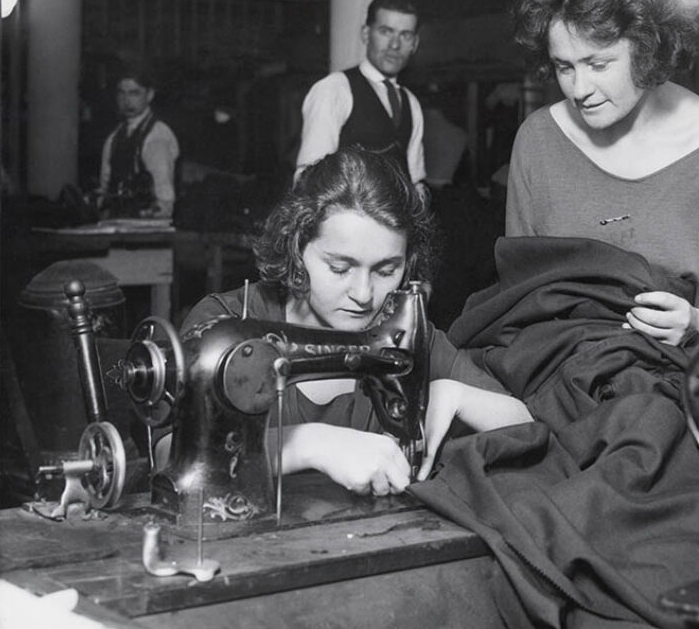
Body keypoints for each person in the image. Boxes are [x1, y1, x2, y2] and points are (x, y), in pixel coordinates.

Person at [180, 147, 531, 497]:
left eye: (386, 269)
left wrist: (457, 395)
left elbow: (526, 426)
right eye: (340, 268)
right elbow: (174, 455)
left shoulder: (403, 333)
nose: (364, 294)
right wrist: (308, 444)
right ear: (296, 247)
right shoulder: (222, 327)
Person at [507, 0, 699, 343]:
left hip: (671, 381)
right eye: (564, 67)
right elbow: (517, 293)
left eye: (598, 64)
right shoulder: (538, 139)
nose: (579, 89)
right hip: (551, 373)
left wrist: (695, 323)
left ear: (646, 48)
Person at [295, 0, 427, 196]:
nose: (395, 45)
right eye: (386, 31)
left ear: (415, 44)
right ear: (366, 34)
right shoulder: (334, 89)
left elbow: (416, 183)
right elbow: (308, 178)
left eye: (405, 35)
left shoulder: (411, 102)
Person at [98, 67, 180, 218]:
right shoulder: (114, 138)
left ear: (149, 95)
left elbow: (165, 201)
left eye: (134, 93)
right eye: (121, 93)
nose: (126, 100)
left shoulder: (156, 136)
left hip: (148, 229)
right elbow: (105, 188)